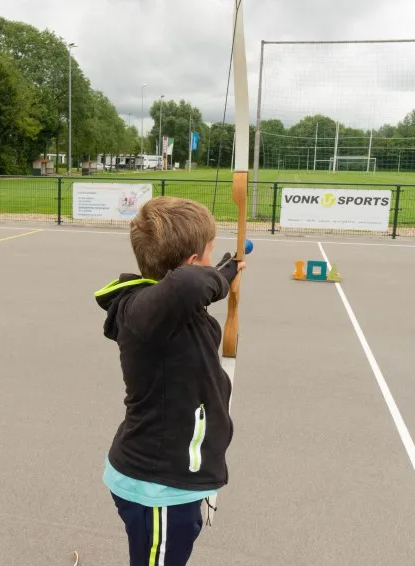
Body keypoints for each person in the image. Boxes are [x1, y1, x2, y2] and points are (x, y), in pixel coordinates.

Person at [94, 196, 247, 566]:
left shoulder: (164, 312)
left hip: (170, 478)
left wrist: (223, 271)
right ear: (192, 263)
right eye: (209, 252)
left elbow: (187, 288)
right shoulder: (142, 311)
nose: (212, 263)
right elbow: (189, 286)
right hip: (157, 486)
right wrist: (221, 279)